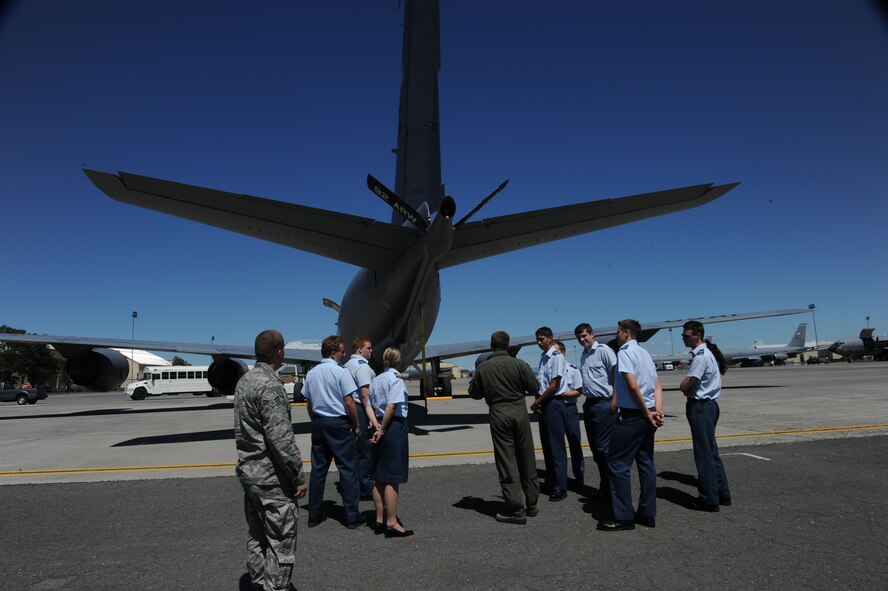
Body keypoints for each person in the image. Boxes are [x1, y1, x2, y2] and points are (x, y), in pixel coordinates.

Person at [234, 329, 307, 591]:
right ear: (279, 352)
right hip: (272, 480)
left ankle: (257, 584)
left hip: (250, 474)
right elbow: (280, 439)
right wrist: (297, 475)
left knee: (257, 537)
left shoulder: (245, 381)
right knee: (280, 544)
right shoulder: (270, 384)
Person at [468, 331, 541, 524]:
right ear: (507, 346)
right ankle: (532, 504)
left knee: (507, 461)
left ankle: (516, 509)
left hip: (499, 415)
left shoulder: (484, 368)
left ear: (491, 346)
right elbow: (534, 387)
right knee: (526, 456)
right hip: (520, 413)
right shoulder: (519, 364)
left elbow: (474, 393)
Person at [598, 319, 663, 532]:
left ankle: (624, 517)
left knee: (617, 464)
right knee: (645, 463)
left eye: (618, 332)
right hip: (648, 414)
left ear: (626, 333)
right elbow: (656, 384)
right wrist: (656, 411)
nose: (616, 335)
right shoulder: (644, 354)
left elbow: (632, 386)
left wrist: (645, 412)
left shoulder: (624, 352)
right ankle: (647, 513)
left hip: (633, 415)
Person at [301, 335, 363, 528]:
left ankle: (314, 514)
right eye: (342, 351)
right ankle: (352, 516)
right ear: (333, 352)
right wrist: (357, 424)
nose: (345, 354)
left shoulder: (311, 373)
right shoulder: (340, 372)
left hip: (319, 423)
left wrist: (316, 421)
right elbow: (349, 402)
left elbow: (309, 403)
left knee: (318, 470)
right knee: (348, 469)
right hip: (338, 424)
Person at [679, 320, 732, 511]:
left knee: (703, 454)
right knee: (711, 451)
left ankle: (709, 499)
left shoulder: (700, 357)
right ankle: (722, 493)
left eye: (685, 336)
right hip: (709, 406)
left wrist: (684, 388)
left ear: (697, 336)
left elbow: (686, 384)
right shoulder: (705, 354)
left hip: (700, 407)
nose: (683, 339)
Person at [369, 347, 413, 537]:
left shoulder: (376, 380)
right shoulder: (395, 379)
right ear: (397, 361)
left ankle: (379, 518)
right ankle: (392, 522)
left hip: (378, 422)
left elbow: (370, 404)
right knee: (392, 476)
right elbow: (392, 406)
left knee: (379, 475)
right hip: (392, 426)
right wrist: (384, 429)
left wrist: (377, 427)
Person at [574, 323, 617, 502]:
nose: (582, 340)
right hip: (589, 404)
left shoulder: (603, 351)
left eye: (584, 336)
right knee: (596, 450)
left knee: (603, 448)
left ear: (592, 334)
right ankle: (604, 489)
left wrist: (615, 401)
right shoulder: (584, 355)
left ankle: (612, 491)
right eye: (579, 338)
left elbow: (617, 375)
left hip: (604, 404)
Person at [529, 326, 571, 501]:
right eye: (537, 340)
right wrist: (538, 399)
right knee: (547, 447)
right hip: (545, 404)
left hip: (554, 403)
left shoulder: (556, 357)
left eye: (542, 339)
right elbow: (542, 384)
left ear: (550, 338)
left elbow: (554, 385)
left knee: (556, 448)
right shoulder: (543, 358)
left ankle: (561, 487)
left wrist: (537, 402)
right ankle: (551, 481)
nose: (539, 343)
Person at [343, 337, 380, 498]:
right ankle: (365, 487)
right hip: (360, 409)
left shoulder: (347, 365)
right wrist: (373, 418)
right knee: (365, 450)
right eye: (369, 348)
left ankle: (355, 484)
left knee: (355, 450)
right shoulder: (362, 367)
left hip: (350, 409)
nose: (371, 351)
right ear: (359, 350)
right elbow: (365, 396)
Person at [554, 340, 586, 490]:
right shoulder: (551, 369)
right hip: (555, 409)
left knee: (574, 443)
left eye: (558, 352)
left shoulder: (573, 370)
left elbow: (578, 391)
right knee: (558, 445)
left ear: (564, 352)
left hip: (569, 408)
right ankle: (560, 478)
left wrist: (562, 395)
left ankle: (579, 476)